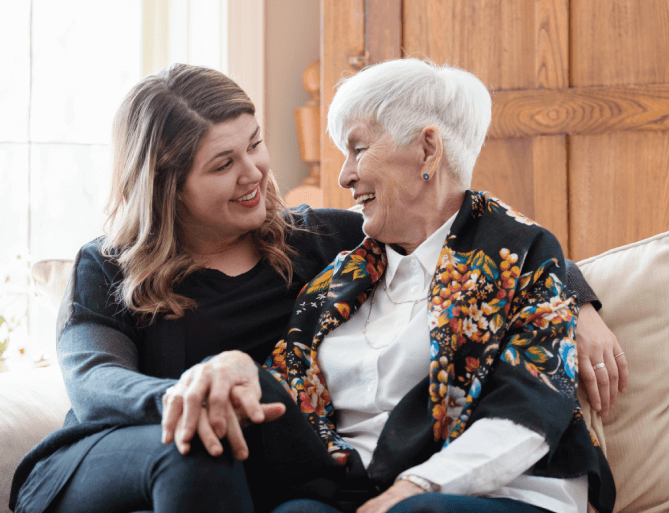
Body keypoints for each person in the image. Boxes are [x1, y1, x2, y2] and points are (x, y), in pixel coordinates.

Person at [8, 62, 621, 513]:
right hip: (112, 451)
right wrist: (193, 395)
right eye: (223, 165)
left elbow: (457, 219)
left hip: (245, 468)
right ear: (167, 185)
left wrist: (576, 297)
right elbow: (94, 383)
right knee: (200, 442)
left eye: (254, 146)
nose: (253, 174)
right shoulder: (110, 264)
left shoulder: (314, 241)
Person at [256, 59, 617, 513]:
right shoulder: (336, 280)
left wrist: (414, 488)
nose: (344, 175)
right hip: (357, 490)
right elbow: (284, 387)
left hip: (504, 491)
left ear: (428, 149)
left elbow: (527, 408)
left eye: (358, 148)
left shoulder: (520, 255)